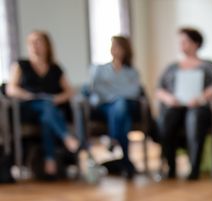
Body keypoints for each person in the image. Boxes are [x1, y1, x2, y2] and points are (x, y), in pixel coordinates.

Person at [6, 31, 79, 179]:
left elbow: (69, 91)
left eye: (38, 42)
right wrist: (28, 95)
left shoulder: (55, 68)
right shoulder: (21, 65)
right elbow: (10, 88)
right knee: (47, 108)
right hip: (26, 108)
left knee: (47, 115)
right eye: (31, 43)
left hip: (49, 109)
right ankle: (66, 137)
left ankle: (50, 161)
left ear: (47, 45)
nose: (34, 46)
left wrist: (57, 98)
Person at [155, 27, 212, 180]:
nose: (181, 45)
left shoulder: (208, 65)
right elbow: (159, 89)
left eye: (185, 41)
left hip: (198, 106)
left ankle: (194, 168)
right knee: (166, 121)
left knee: (195, 119)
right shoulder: (172, 67)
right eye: (180, 42)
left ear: (195, 43)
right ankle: (171, 167)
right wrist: (169, 99)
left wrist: (200, 98)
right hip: (175, 106)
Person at [87, 36, 142, 179]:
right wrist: (117, 96)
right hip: (105, 107)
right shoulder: (100, 69)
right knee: (121, 111)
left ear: (125, 50)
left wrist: (115, 94)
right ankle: (126, 161)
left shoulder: (132, 72)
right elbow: (97, 90)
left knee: (122, 106)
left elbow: (134, 92)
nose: (114, 50)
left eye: (118, 47)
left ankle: (113, 139)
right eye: (113, 47)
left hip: (126, 106)